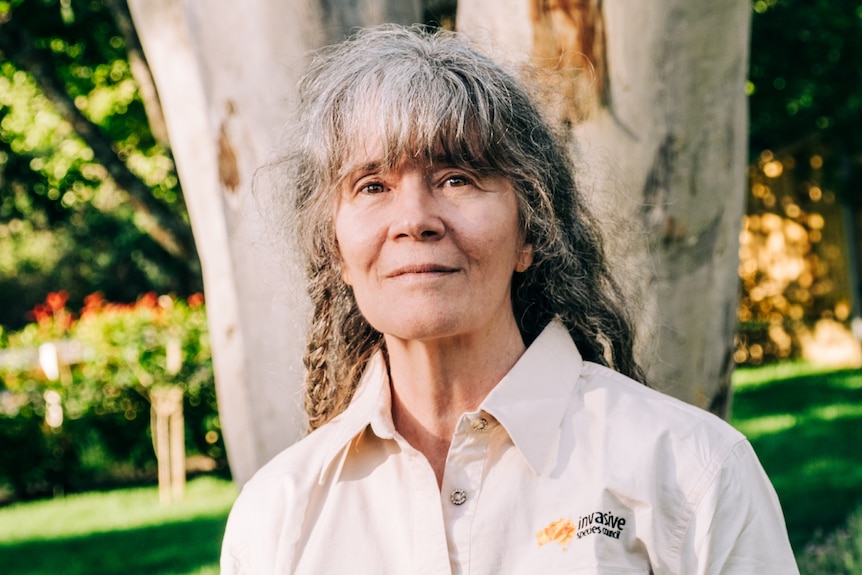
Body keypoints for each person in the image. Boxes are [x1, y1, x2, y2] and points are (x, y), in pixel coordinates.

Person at [220, 24, 798, 574]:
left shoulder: (690, 467)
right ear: (338, 252)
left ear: (530, 232)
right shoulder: (277, 514)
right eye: (373, 186)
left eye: (457, 178)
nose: (415, 220)